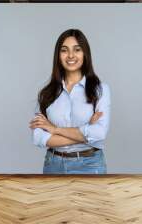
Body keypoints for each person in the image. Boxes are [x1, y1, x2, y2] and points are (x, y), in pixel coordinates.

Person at [29, 29, 111, 174]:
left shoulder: (100, 90)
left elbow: (99, 133)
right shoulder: (46, 93)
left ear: (85, 54)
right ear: (58, 56)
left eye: (77, 49)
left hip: (90, 165)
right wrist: (86, 133)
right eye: (64, 50)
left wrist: (55, 130)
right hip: (53, 165)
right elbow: (38, 137)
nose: (71, 55)